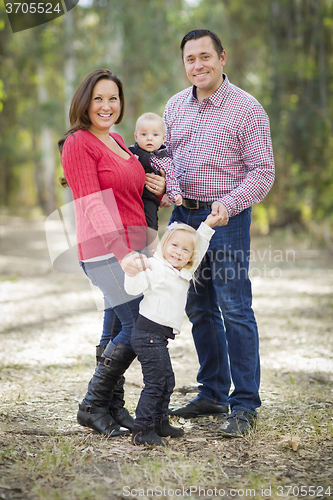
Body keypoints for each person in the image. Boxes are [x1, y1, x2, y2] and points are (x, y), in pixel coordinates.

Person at [164, 29, 275, 437]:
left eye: (205, 56)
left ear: (222, 57)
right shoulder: (174, 106)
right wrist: (165, 188)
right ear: (184, 64)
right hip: (183, 219)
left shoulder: (248, 109)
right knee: (198, 307)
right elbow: (168, 160)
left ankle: (245, 404)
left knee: (235, 308)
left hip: (225, 219)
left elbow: (263, 172)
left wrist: (227, 205)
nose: (198, 65)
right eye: (190, 59)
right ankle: (212, 392)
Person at [58, 69, 165, 437]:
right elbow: (92, 204)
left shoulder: (120, 141)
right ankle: (91, 404)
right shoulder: (78, 143)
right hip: (105, 251)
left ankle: (112, 407)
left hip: (135, 247)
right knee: (139, 327)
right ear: (85, 102)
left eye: (113, 98)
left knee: (117, 326)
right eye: (98, 98)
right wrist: (121, 252)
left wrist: (159, 188)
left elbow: (134, 195)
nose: (106, 106)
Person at [124, 214, 223, 446]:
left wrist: (207, 226)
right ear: (164, 244)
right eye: (174, 246)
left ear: (191, 256)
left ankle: (160, 422)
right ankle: (142, 430)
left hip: (158, 337)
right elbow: (134, 287)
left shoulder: (183, 271)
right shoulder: (156, 267)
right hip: (147, 334)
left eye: (185, 250)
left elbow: (200, 245)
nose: (178, 252)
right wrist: (132, 272)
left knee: (167, 380)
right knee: (156, 383)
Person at [129, 112, 182, 249]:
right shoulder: (130, 153)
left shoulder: (164, 160)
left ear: (164, 138)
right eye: (144, 134)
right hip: (131, 195)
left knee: (151, 223)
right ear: (136, 136)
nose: (149, 139)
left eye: (155, 135)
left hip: (149, 198)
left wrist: (173, 194)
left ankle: (153, 252)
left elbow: (171, 178)